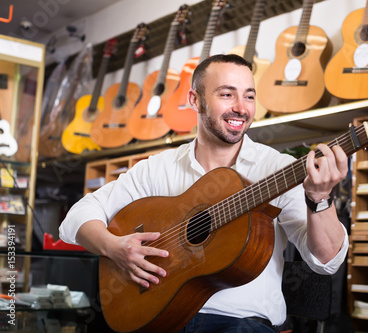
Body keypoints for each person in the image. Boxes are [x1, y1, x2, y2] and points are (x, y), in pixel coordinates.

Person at [59, 54, 349, 332]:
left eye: (249, 96)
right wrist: (115, 247)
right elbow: (77, 217)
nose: (241, 107)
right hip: (160, 316)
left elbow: (326, 261)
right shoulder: (158, 168)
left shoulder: (279, 169)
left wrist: (320, 200)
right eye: (227, 94)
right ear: (194, 100)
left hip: (242, 324)